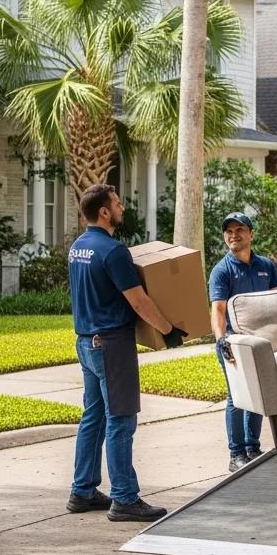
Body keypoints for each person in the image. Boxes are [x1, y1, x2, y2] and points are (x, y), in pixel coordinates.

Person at [66, 183, 187, 521]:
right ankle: (125, 498)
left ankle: (83, 490)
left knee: (94, 416)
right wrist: (168, 330)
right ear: (104, 211)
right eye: (117, 203)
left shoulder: (79, 247)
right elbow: (138, 300)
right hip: (111, 345)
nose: (121, 208)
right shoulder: (113, 250)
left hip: (86, 342)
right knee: (121, 420)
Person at [208, 211, 277, 471]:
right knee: (237, 396)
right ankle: (236, 453)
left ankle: (252, 446)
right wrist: (221, 340)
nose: (233, 235)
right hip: (233, 343)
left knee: (258, 392)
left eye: (239, 229)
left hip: (261, 341)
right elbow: (217, 310)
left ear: (251, 234)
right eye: (229, 231)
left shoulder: (266, 266)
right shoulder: (222, 271)